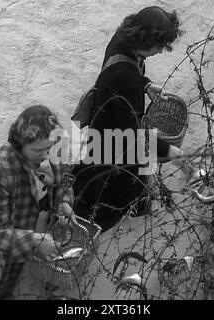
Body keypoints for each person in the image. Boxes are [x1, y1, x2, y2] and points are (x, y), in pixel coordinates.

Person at [72, 6, 185, 232]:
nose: (161, 52)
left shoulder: (122, 39)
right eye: (159, 46)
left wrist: (146, 85)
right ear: (146, 41)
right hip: (116, 134)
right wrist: (168, 152)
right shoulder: (126, 78)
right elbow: (131, 137)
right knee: (120, 176)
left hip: (106, 115)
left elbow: (127, 70)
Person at [0, 105, 75, 300]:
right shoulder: (2, 170)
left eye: (48, 149)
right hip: (12, 228)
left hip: (39, 220)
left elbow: (64, 179)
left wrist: (64, 202)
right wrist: (34, 242)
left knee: (32, 274)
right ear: (19, 146)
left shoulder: (55, 144)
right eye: (38, 151)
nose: (46, 155)